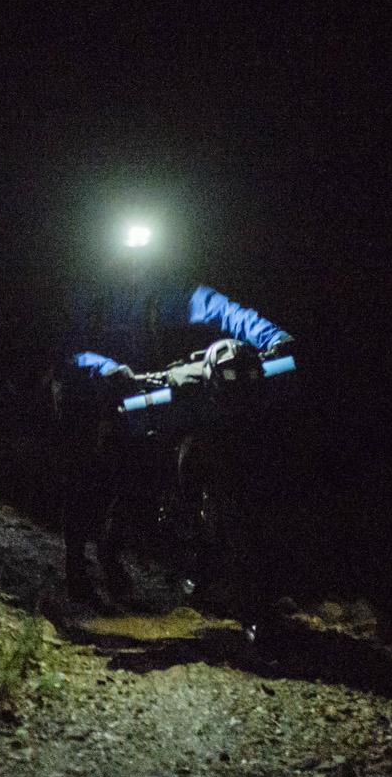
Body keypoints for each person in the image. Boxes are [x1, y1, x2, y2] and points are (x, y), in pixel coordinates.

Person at [51, 251, 294, 608]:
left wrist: (273, 337)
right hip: (87, 390)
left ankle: (112, 550)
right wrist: (103, 368)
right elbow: (67, 349)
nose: (135, 266)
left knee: (141, 476)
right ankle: (76, 565)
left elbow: (219, 308)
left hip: (139, 390)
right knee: (86, 476)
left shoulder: (160, 296)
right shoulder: (89, 296)